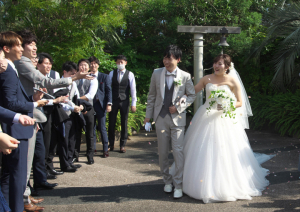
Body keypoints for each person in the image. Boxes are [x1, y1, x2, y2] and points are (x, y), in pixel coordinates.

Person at [182, 54, 270, 203]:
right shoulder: (206, 79)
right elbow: (193, 91)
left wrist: (228, 105)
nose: (216, 66)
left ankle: (226, 184)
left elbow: (240, 102)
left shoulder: (232, 80)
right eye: (215, 63)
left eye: (220, 64)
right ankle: (197, 183)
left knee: (225, 150)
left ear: (227, 67)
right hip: (206, 116)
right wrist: (182, 95)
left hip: (225, 118)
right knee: (203, 149)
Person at [0, 31, 48, 212]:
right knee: (17, 178)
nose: (21, 48)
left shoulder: (9, 67)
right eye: (18, 45)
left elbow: (11, 99)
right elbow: (10, 103)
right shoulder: (6, 70)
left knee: (9, 177)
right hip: (15, 129)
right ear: (6, 48)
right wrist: (34, 103)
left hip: (15, 127)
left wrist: (31, 98)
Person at [144, 45, 196, 199]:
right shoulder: (156, 73)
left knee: (178, 152)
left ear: (178, 59)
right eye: (165, 57)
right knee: (162, 152)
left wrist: (179, 107)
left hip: (178, 119)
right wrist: (148, 117)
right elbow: (151, 96)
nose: (166, 61)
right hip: (160, 118)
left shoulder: (185, 76)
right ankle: (167, 181)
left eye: (170, 58)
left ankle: (178, 184)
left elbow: (192, 95)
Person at [48, 61, 83, 172]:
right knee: (62, 140)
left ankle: (68, 161)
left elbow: (73, 99)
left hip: (70, 115)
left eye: (75, 73)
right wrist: (73, 107)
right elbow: (61, 100)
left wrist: (77, 107)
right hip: (60, 115)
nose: (74, 76)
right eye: (72, 74)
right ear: (65, 72)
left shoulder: (74, 83)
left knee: (70, 139)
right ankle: (62, 164)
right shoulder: (58, 83)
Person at [108, 55, 137, 153]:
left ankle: (122, 145)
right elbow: (108, 88)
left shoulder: (130, 74)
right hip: (113, 101)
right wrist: (108, 102)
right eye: (118, 62)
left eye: (122, 62)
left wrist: (134, 103)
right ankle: (111, 144)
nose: (120, 64)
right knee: (111, 122)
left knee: (124, 122)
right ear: (116, 63)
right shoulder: (112, 73)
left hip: (124, 101)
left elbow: (133, 90)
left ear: (126, 63)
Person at [74, 59, 98, 164]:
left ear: (88, 68)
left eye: (85, 65)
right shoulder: (74, 79)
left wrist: (78, 100)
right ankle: (75, 155)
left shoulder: (93, 79)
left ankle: (90, 155)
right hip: (75, 108)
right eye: (81, 65)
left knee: (90, 133)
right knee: (76, 133)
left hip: (88, 108)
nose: (83, 67)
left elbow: (90, 96)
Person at [89, 56, 112, 159]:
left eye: (95, 63)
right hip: (90, 105)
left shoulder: (104, 76)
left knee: (102, 127)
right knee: (91, 127)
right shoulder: (86, 76)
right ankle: (92, 148)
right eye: (91, 63)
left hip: (101, 105)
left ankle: (105, 149)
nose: (93, 65)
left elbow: (108, 91)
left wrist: (109, 103)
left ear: (98, 65)